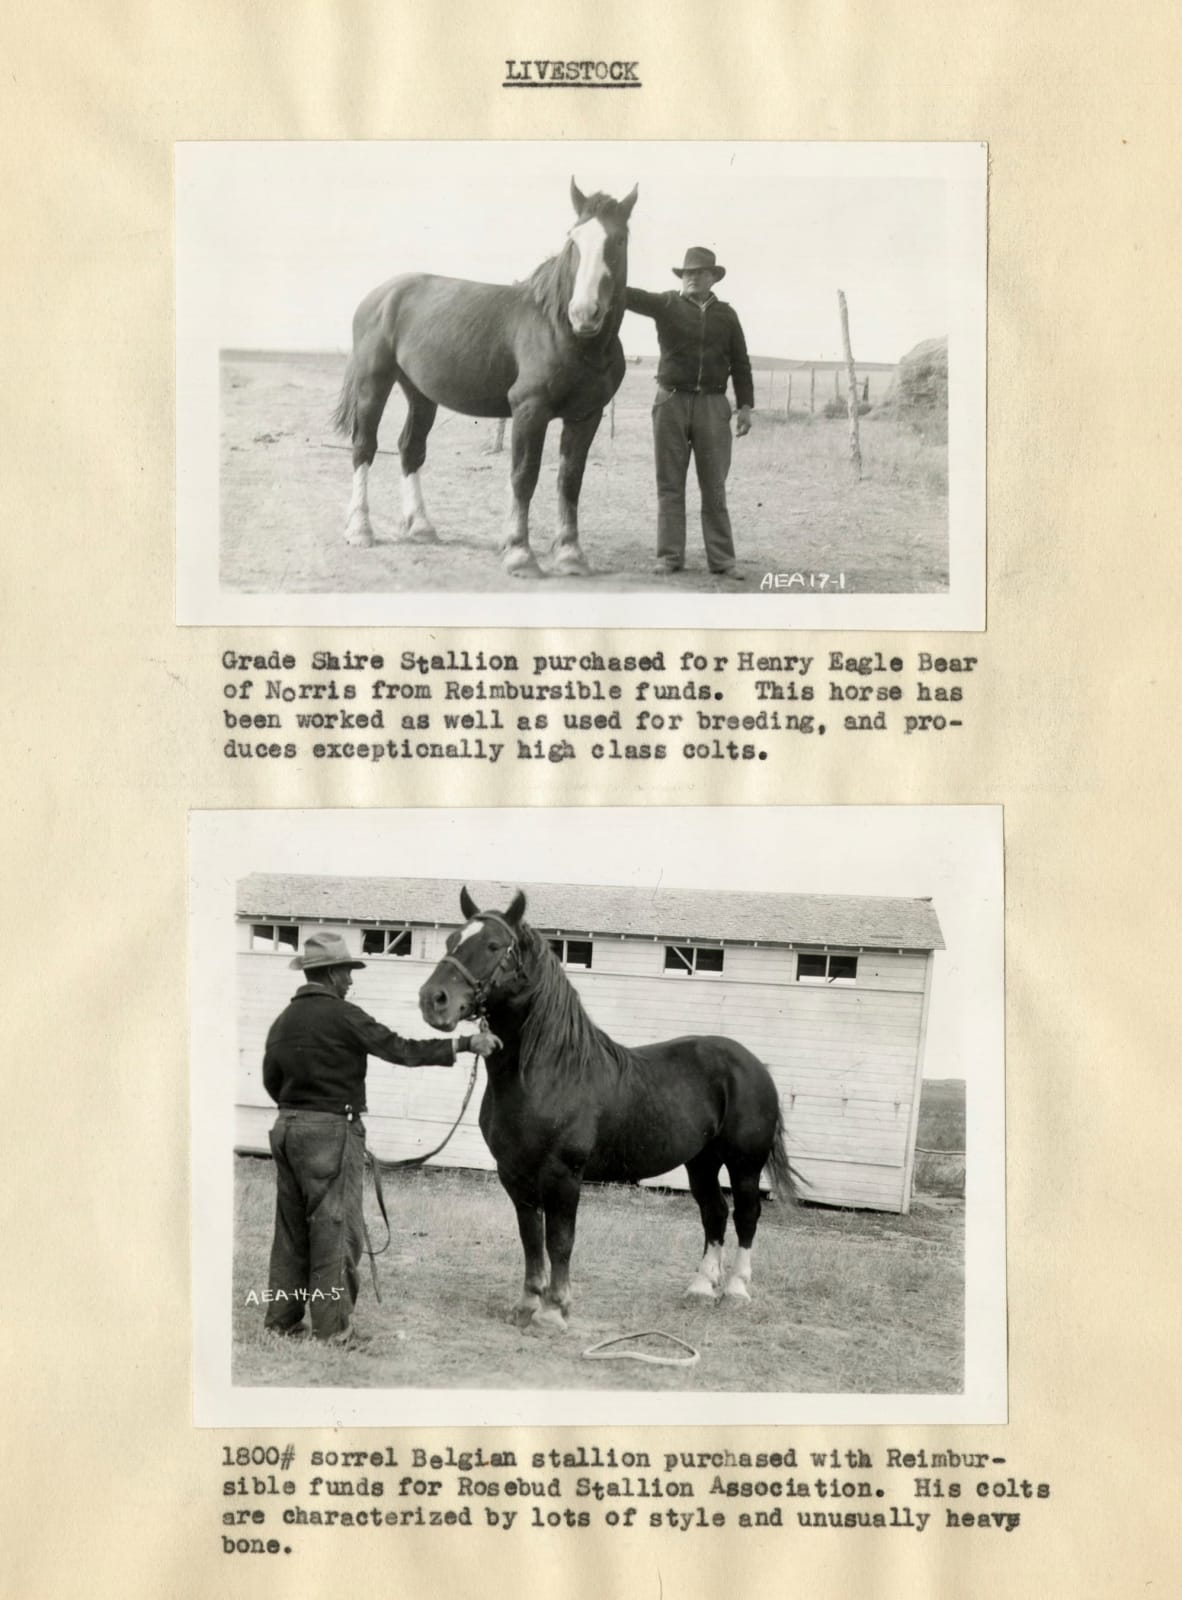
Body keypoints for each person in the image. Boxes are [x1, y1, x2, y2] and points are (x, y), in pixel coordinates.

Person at [260, 929, 498, 1347]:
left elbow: (270, 1080)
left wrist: (300, 1111)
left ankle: (281, 1321)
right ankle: (333, 1332)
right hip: (331, 1132)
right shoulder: (345, 1016)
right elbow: (400, 1049)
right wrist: (464, 1043)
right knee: (336, 1230)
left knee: (291, 1230)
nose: (351, 981)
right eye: (347, 973)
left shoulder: (282, 1021)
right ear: (332, 974)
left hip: (286, 1129)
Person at [625, 246, 755, 579]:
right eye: (686, 273)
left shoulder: (727, 315)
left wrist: (745, 406)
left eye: (699, 272)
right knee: (669, 484)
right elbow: (628, 296)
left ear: (713, 277)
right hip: (670, 402)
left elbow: (740, 363)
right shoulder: (666, 304)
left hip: (713, 405)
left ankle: (723, 561)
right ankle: (669, 557)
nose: (692, 277)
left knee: (714, 486)